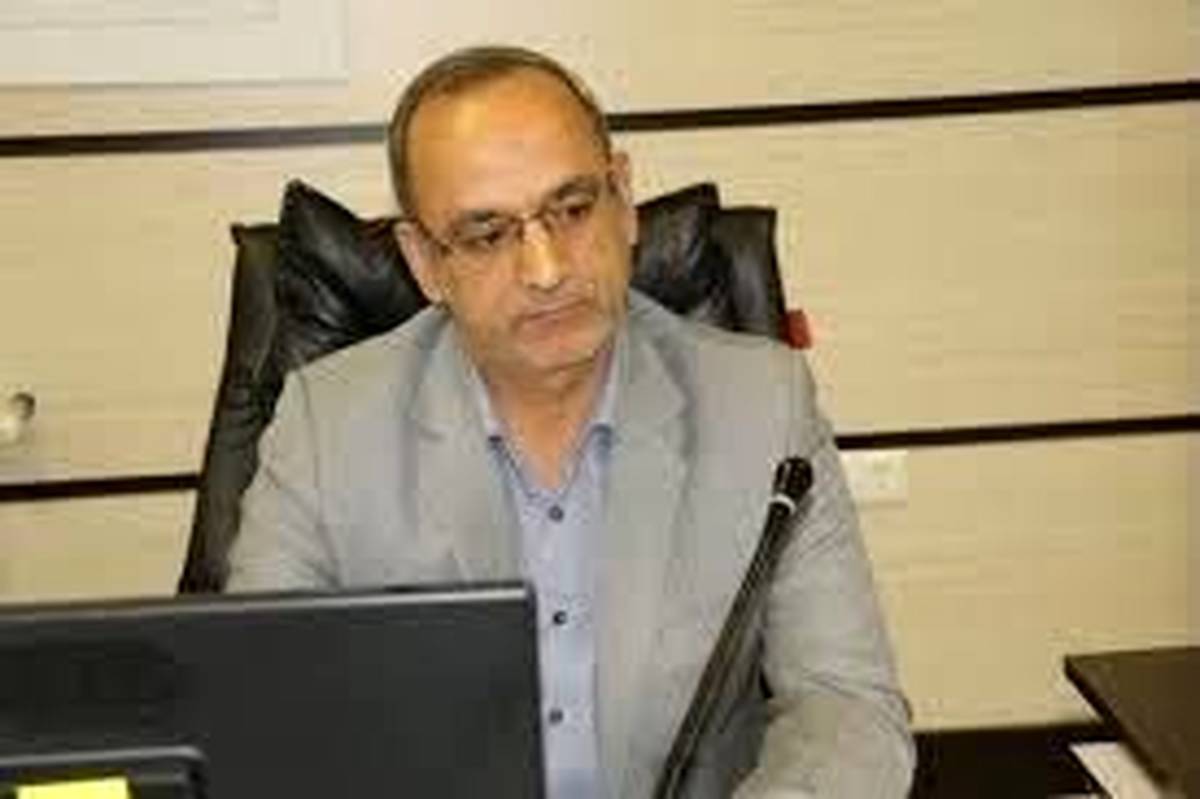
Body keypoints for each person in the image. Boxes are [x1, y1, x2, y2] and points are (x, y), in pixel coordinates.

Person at [229, 45, 914, 798]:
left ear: (624, 197)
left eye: (573, 208)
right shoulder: (326, 429)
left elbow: (845, 707)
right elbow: (262, 720)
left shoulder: (761, 404)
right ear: (424, 262)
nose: (547, 269)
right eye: (488, 234)